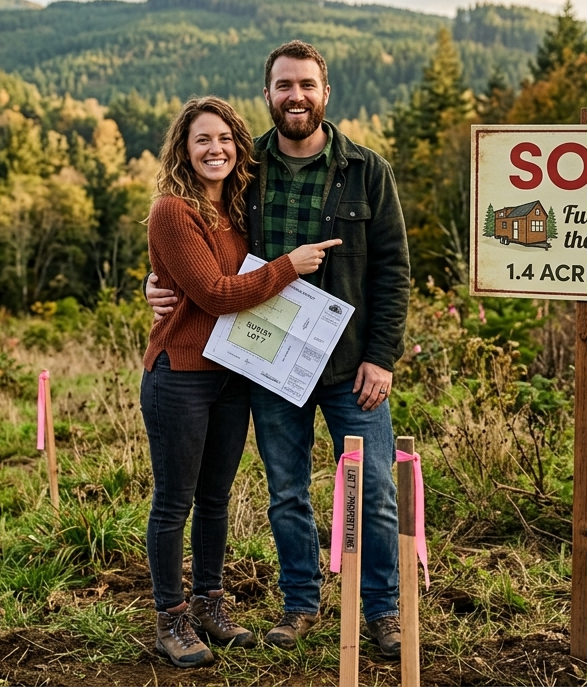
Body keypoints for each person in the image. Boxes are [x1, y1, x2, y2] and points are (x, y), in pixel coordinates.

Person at [146, 41, 410, 660]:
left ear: (325, 92)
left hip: (350, 366)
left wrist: (383, 356)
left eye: (307, 85)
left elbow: (393, 270)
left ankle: (383, 611)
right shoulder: (247, 169)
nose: (296, 96)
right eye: (284, 86)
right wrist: (156, 280)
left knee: (374, 489)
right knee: (286, 492)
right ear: (267, 96)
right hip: (268, 366)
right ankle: (299, 605)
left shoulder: (367, 170)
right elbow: (195, 239)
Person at [140, 96, 342, 668]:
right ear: (184, 147)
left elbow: (207, 281)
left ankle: (210, 603)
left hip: (231, 374)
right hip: (179, 376)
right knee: (174, 501)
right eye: (203, 140)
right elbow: (216, 294)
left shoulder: (234, 208)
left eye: (226, 139)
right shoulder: (173, 210)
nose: (216, 149)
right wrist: (289, 266)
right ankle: (171, 619)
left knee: (216, 499)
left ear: (239, 147)